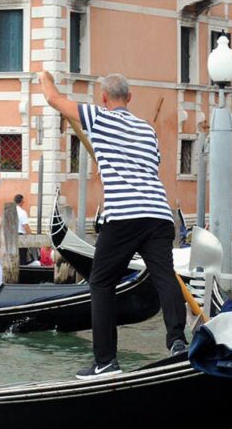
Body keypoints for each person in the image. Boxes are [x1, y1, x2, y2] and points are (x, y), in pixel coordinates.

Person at [40, 70, 186, 379]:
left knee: (101, 282)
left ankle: (105, 361)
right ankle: (178, 342)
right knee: (164, 277)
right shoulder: (147, 130)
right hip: (159, 214)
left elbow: (54, 99)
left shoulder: (98, 117)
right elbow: (147, 167)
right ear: (129, 98)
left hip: (124, 216)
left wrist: (43, 76)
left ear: (104, 98)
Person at [14, 193, 33, 265]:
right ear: (22, 201)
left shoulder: (10, 211)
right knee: (22, 257)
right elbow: (25, 226)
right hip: (21, 236)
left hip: (11, 236)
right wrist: (31, 236)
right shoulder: (22, 212)